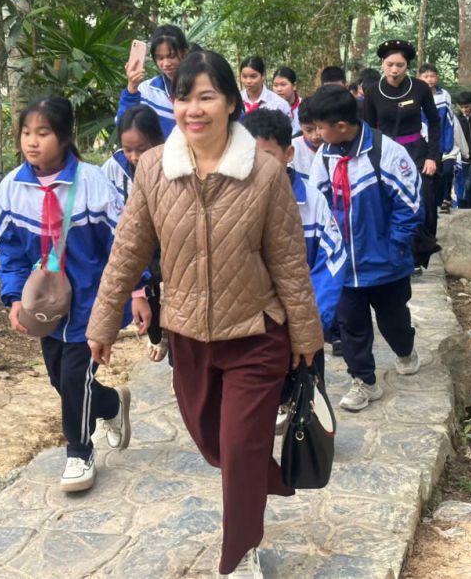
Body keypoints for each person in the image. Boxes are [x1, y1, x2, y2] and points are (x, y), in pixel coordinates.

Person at [87, 51, 324, 579]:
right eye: (183, 97)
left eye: (206, 97)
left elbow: (289, 262)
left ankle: (240, 552)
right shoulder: (154, 168)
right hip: (188, 335)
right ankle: (264, 474)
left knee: (238, 448)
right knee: (212, 441)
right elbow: (127, 251)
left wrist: (307, 336)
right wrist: (103, 322)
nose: (193, 109)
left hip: (257, 334)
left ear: (232, 104)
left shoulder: (265, 173)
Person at [0, 97, 150, 492]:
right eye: (26, 133)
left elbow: (124, 244)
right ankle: (110, 404)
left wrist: (137, 290)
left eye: (43, 133)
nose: (32, 142)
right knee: (60, 380)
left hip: (91, 303)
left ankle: (79, 453)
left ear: (64, 137)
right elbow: (9, 251)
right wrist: (14, 298)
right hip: (46, 307)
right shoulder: (11, 190)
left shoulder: (93, 184)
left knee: (76, 378)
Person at [307, 85, 424, 412]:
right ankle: (364, 381)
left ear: (341, 126)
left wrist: (394, 246)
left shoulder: (386, 153)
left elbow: (411, 205)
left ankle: (405, 349)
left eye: (320, 127)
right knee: (351, 327)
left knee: (393, 321)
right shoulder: (325, 157)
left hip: (385, 264)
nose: (316, 134)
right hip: (344, 267)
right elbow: (318, 205)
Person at [241, 109, 346, 429]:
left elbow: (332, 261)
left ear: (288, 154)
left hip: (303, 318)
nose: (258, 167)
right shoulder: (231, 201)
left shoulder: (311, 200)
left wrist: (312, 320)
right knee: (253, 400)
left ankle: (311, 441)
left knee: (308, 392)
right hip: (253, 324)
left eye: (267, 157)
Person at [361, 40, 440, 270]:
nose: (394, 70)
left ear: (407, 66)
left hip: (417, 152)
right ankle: (396, 253)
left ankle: (419, 254)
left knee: (424, 200)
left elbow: (435, 123)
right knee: (389, 202)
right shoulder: (372, 92)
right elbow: (367, 129)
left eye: (400, 65)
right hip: (386, 154)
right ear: (382, 64)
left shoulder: (420, 88)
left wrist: (433, 157)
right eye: (390, 65)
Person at [102, 105, 168, 361]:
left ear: (157, 141)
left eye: (142, 149)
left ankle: (172, 338)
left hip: (168, 241)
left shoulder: (172, 162)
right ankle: (157, 335)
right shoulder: (113, 168)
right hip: (136, 242)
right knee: (145, 290)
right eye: (128, 149)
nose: (134, 156)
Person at [117, 25, 190, 136]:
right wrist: (132, 88)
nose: (166, 64)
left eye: (172, 56)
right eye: (160, 58)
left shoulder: (199, 86)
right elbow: (123, 127)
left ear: (185, 53)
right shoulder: (147, 90)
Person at [417, 63, 464, 214]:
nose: (429, 79)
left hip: (444, 140)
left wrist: (447, 142)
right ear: (419, 78)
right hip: (424, 142)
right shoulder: (416, 95)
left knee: (447, 171)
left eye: (432, 76)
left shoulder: (444, 95)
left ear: (437, 78)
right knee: (431, 174)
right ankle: (433, 203)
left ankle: (446, 199)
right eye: (426, 76)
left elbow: (449, 121)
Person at [290, 98, 321, 182]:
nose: (315, 136)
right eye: (309, 130)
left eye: (319, 128)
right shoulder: (293, 148)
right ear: (300, 126)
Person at [271, 66, 302, 134]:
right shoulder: (269, 108)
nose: (279, 89)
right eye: (275, 85)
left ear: (294, 86)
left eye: (283, 85)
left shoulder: (305, 106)